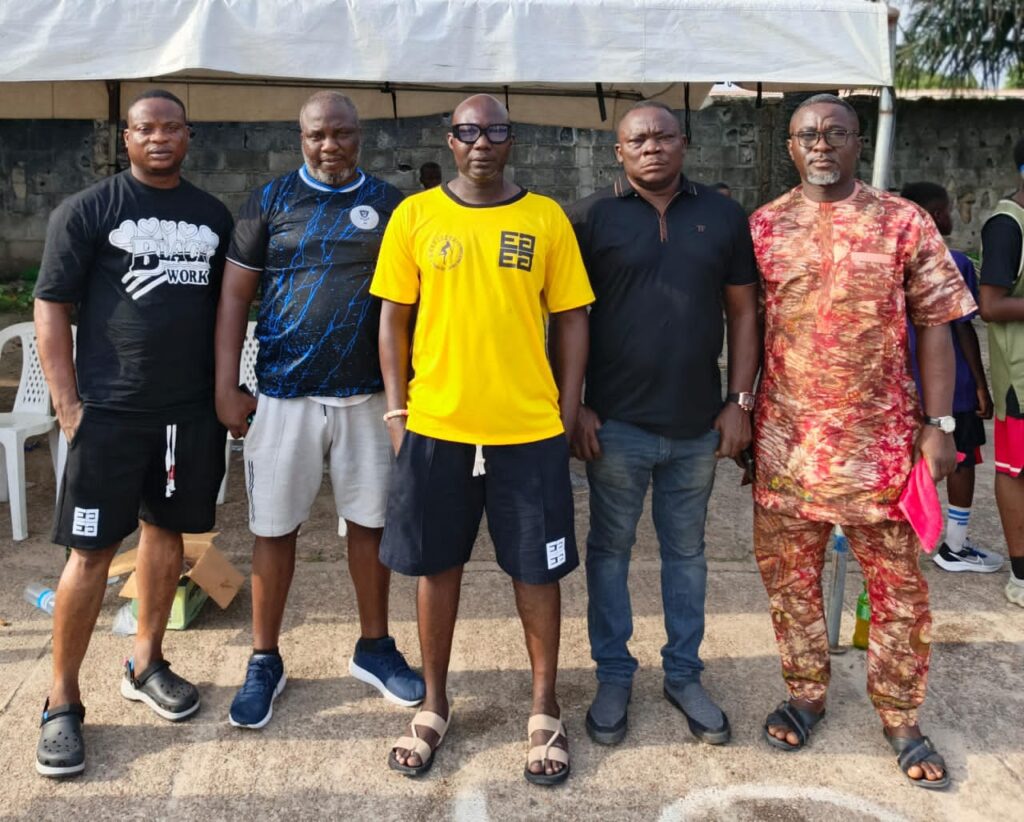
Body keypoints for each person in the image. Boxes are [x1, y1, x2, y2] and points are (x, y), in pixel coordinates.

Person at [749, 94, 976, 789]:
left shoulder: (904, 221)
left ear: (857, 142)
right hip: (786, 445)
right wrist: (738, 412)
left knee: (899, 588)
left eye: (836, 132)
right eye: (807, 134)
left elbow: (936, 325)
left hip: (882, 448)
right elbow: (744, 327)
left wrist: (939, 426)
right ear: (790, 147)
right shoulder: (763, 226)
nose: (821, 144)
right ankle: (806, 693)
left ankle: (901, 715)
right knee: (789, 582)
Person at [370, 94, 593, 785]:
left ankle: (544, 708)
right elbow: (393, 318)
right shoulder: (415, 216)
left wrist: (566, 411)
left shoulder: (545, 217)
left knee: (537, 572)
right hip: (437, 426)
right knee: (436, 567)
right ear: (451, 140)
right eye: (468, 131)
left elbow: (573, 318)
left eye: (495, 131)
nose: (481, 143)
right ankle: (434, 703)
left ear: (511, 140)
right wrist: (398, 413)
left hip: (528, 431)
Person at [32, 89, 233, 777]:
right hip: (110, 413)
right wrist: (67, 403)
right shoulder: (87, 210)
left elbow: (227, 311)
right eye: (145, 128)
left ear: (188, 135)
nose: (158, 138)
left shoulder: (212, 215)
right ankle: (61, 700)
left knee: (167, 534)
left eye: (171, 127)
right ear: (127, 137)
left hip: (186, 414)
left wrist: (222, 392)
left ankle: (145, 663)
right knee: (90, 553)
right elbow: (51, 306)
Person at [215, 90, 424, 730]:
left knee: (371, 525)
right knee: (274, 529)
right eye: (317, 135)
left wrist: (411, 392)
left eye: (341, 133)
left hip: (371, 395)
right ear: (300, 137)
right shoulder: (269, 200)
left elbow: (414, 303)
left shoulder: (391, 205)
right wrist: (228, 384)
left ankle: (374, 647)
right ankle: (264, 658)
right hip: (285, 393)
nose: (329, 145)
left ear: (360, 135)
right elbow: (234, 297)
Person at [566, 100, 759, 747]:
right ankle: (613, 674)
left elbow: (744, 313)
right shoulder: (589, 218)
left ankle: (683, 675)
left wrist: (740, 401)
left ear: (685, 143)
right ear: (618, 151)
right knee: (609, 554)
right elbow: (566, 318)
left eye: (663, 136)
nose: (652, 147)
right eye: (638, 139)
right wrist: (574, 405)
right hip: (615, 424)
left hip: (698, 425)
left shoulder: (723, 217)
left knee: (687, 555)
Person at [900, 181, 1000, 573]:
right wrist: (980, 384)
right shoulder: (954, 261)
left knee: (905, 460)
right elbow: (962, 327)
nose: (952, 215)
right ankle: (955, 546)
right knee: (963, 459)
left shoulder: (888, 259)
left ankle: (903, 541)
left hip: (904, 381)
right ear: (937, 215)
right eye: (947, 209)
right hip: (950, 383)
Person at [978, 136, 1024, 606]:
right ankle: (1021, 576)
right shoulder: (1007, 225)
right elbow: (990, 306)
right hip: (1020, 377)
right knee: (1016, 470)